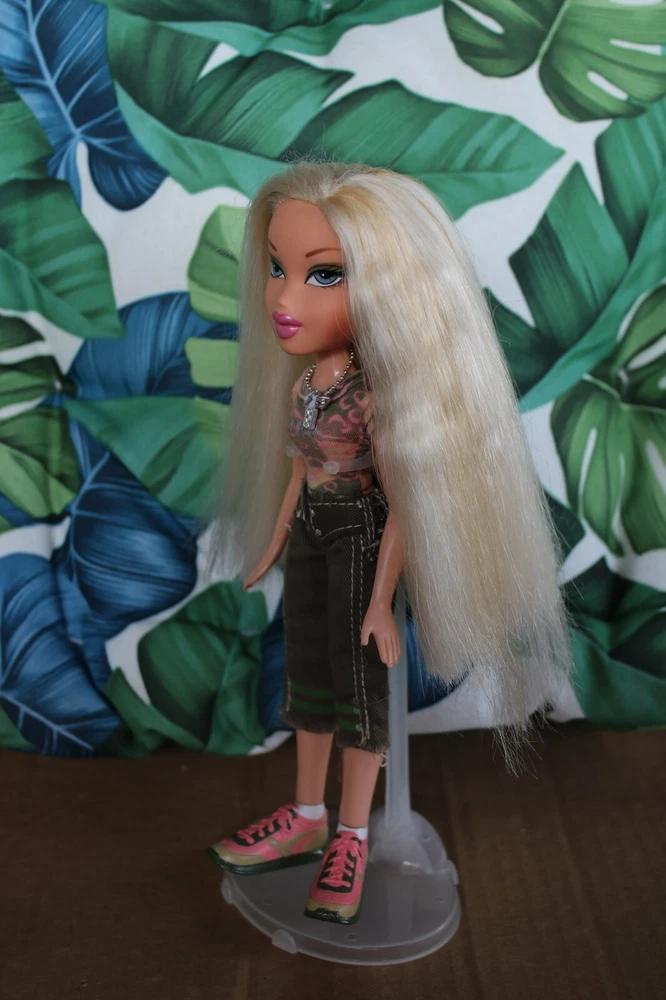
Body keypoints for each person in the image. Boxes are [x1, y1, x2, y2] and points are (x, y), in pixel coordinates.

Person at [206, 161, 571, 925]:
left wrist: (380, 601)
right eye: (278, 268)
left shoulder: (377, 401)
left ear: (388, 289)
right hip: (312, 534)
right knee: (307, 673)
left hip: (359, 538)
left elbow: (405, 506)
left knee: (360, 687)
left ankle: (351, 834)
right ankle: (306, 813)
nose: (283, 299)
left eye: (323, 275)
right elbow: (298, 473)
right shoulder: (304, 385)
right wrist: (273, 543)